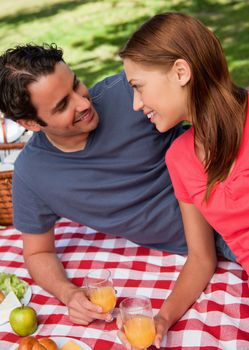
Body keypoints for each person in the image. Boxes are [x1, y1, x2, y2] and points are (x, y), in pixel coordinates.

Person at [0, 43, 189, 327]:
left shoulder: (131, 93)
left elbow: (214, 109)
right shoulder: (32, 174)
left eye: (77, 84)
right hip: (205, 249)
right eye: (63, 105)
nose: (84, 103)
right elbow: (38, 251)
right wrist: (69, 294)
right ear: (31, 122)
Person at [119, 11, 248, 348]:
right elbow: (202, 258)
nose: (136, 104)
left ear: (180, 72)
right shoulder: (179, 158)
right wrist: (163, 318)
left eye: (138, 87)